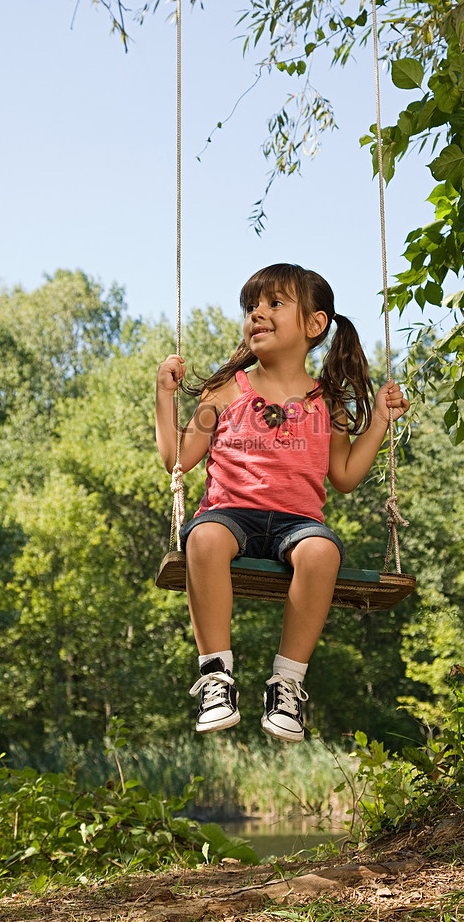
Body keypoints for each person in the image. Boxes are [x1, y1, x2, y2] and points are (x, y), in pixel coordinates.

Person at [155, 263, 409, 743]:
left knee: (323, 552)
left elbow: (346, 476)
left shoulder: (327, 401)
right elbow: (177, 458)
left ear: (314, 325)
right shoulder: (226, 389)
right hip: (229, 514)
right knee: (204, 538)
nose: (258, 314)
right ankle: (215, 676)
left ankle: (287, 683)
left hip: (297, 524)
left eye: (274, 304)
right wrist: (164, 395)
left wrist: (378, 421)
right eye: (252, 306)